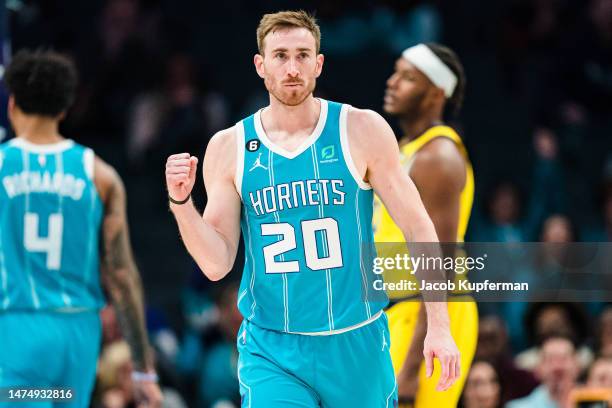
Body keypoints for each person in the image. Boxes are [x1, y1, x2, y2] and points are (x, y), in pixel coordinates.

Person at [166, 10, 460, 407]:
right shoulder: (229, 146)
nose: (292, 68)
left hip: (357, 340)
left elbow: (419, 228)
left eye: (303, 55)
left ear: (319, 63)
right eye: (281, 55)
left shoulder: (361, 129)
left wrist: (439, 327)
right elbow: (217, 263)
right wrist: (182, 203)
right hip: (273, 347)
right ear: (260, 65)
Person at [0, 50, 162, 407]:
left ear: (12, 105)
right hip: (77, 332)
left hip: (17, 325)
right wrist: (142, 367)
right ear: (64, 108)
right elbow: (122, 275)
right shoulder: (100, 175)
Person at [374, 42, 478, 407]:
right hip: (399, 309)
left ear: (436, 93)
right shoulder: (406, 147)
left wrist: (412, 366)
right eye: (395, 72)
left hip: (431, 313)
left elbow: (442, 265)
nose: (392, 83)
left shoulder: (439, 157)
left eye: (407, 77)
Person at [506, 335, 580, 408]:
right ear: (537, 369)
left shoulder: (591, 401)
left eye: (563, 359)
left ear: (577, 367)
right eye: (550, 360)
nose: (557, 367)